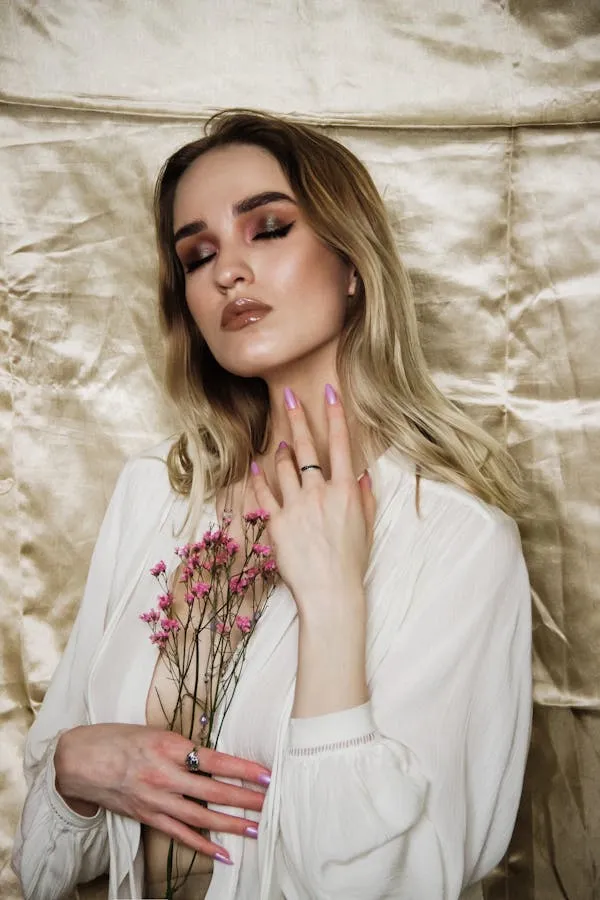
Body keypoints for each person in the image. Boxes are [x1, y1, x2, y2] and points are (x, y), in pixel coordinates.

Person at [12, 110, 532, 900]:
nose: (227, 272)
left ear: (353, 262)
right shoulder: (157, 493)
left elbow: (394, 889)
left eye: (269, 228)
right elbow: (46, 866)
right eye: (199, 253)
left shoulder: (459, 541)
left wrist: (331, 604)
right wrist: (78, 772)